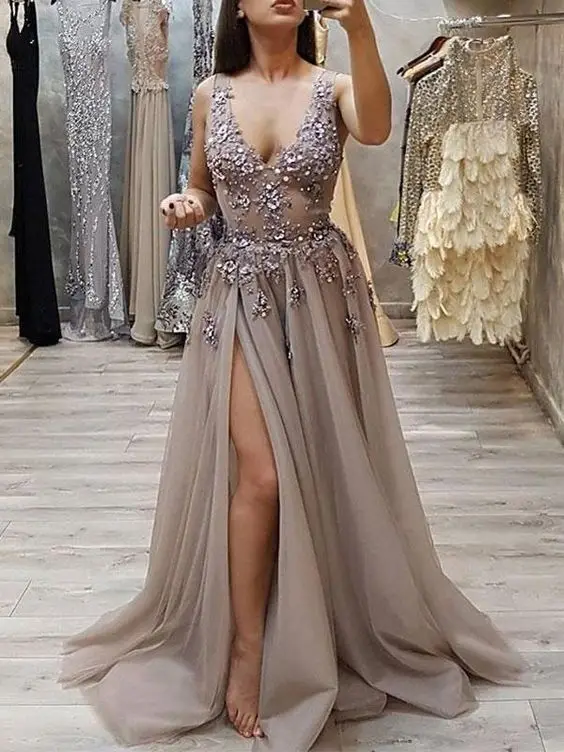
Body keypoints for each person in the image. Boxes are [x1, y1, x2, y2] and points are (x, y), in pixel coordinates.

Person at [60, 0, 524, 749]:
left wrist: (362, 26)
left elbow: (376, 128)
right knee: (263, 474)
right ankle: (246, 651)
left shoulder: (332, 87)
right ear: (238, 7)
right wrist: (188, 204)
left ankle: (319, 615)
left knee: (324, 462)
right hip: (239, 295)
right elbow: (203, 186)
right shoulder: (212, 93)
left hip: (319, 296)